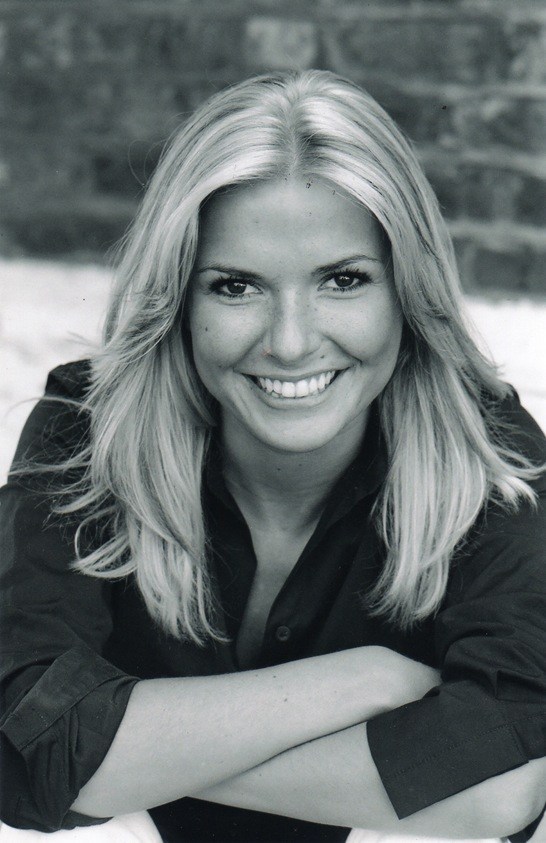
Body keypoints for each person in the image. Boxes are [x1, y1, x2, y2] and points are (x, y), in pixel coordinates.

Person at [0, 70, 545, 843]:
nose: (290, 341)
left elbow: (511, 780)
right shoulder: (89, 432)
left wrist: (122, 758)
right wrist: (361, 682)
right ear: (179, 300)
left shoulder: (490, 456)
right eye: (236, 287)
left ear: (406, 290)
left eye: (344, 280)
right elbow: (17, 743)